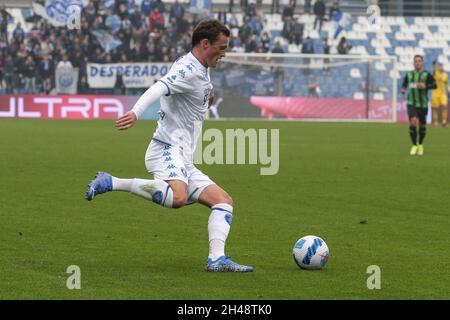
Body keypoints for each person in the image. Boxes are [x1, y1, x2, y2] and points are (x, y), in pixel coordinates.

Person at [85, 19, 253, 273]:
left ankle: (216, 259)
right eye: (221, 47)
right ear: (205, 44)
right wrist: (136, 112)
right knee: (177, 197)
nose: (224, 53)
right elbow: (159, 87)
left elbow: (193, 92)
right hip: (165, 148)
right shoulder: (188, 68)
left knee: (223, 201)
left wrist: (208, 95)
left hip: (183, 157)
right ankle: (113, 181)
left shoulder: (200, 67)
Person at [401, 55, 437, 156]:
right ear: (413, 63)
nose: (417, 63)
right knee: (413, 121)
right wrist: (403, 89)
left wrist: (426, 86)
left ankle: (420, 144)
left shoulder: (427, 74)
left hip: (423, 104)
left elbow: (435, 85)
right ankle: (414, 145)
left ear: (422, 62)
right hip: (411, 103)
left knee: (422, 125)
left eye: (419, 61)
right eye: (416, 61)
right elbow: (404, 83)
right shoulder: (409, 74)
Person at [431, 61, 449, 128]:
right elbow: (433, 71)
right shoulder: (436, 73)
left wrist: (448, 90)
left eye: (442, 66)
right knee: (435, 109)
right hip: (435, 93)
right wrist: (433, 65)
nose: (441, 67)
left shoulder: (445, 75)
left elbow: (446, 83)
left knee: (445, 106)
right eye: (440, 66)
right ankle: (436, 123)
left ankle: (444, 122)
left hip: (442, 94)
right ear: (438, 67)